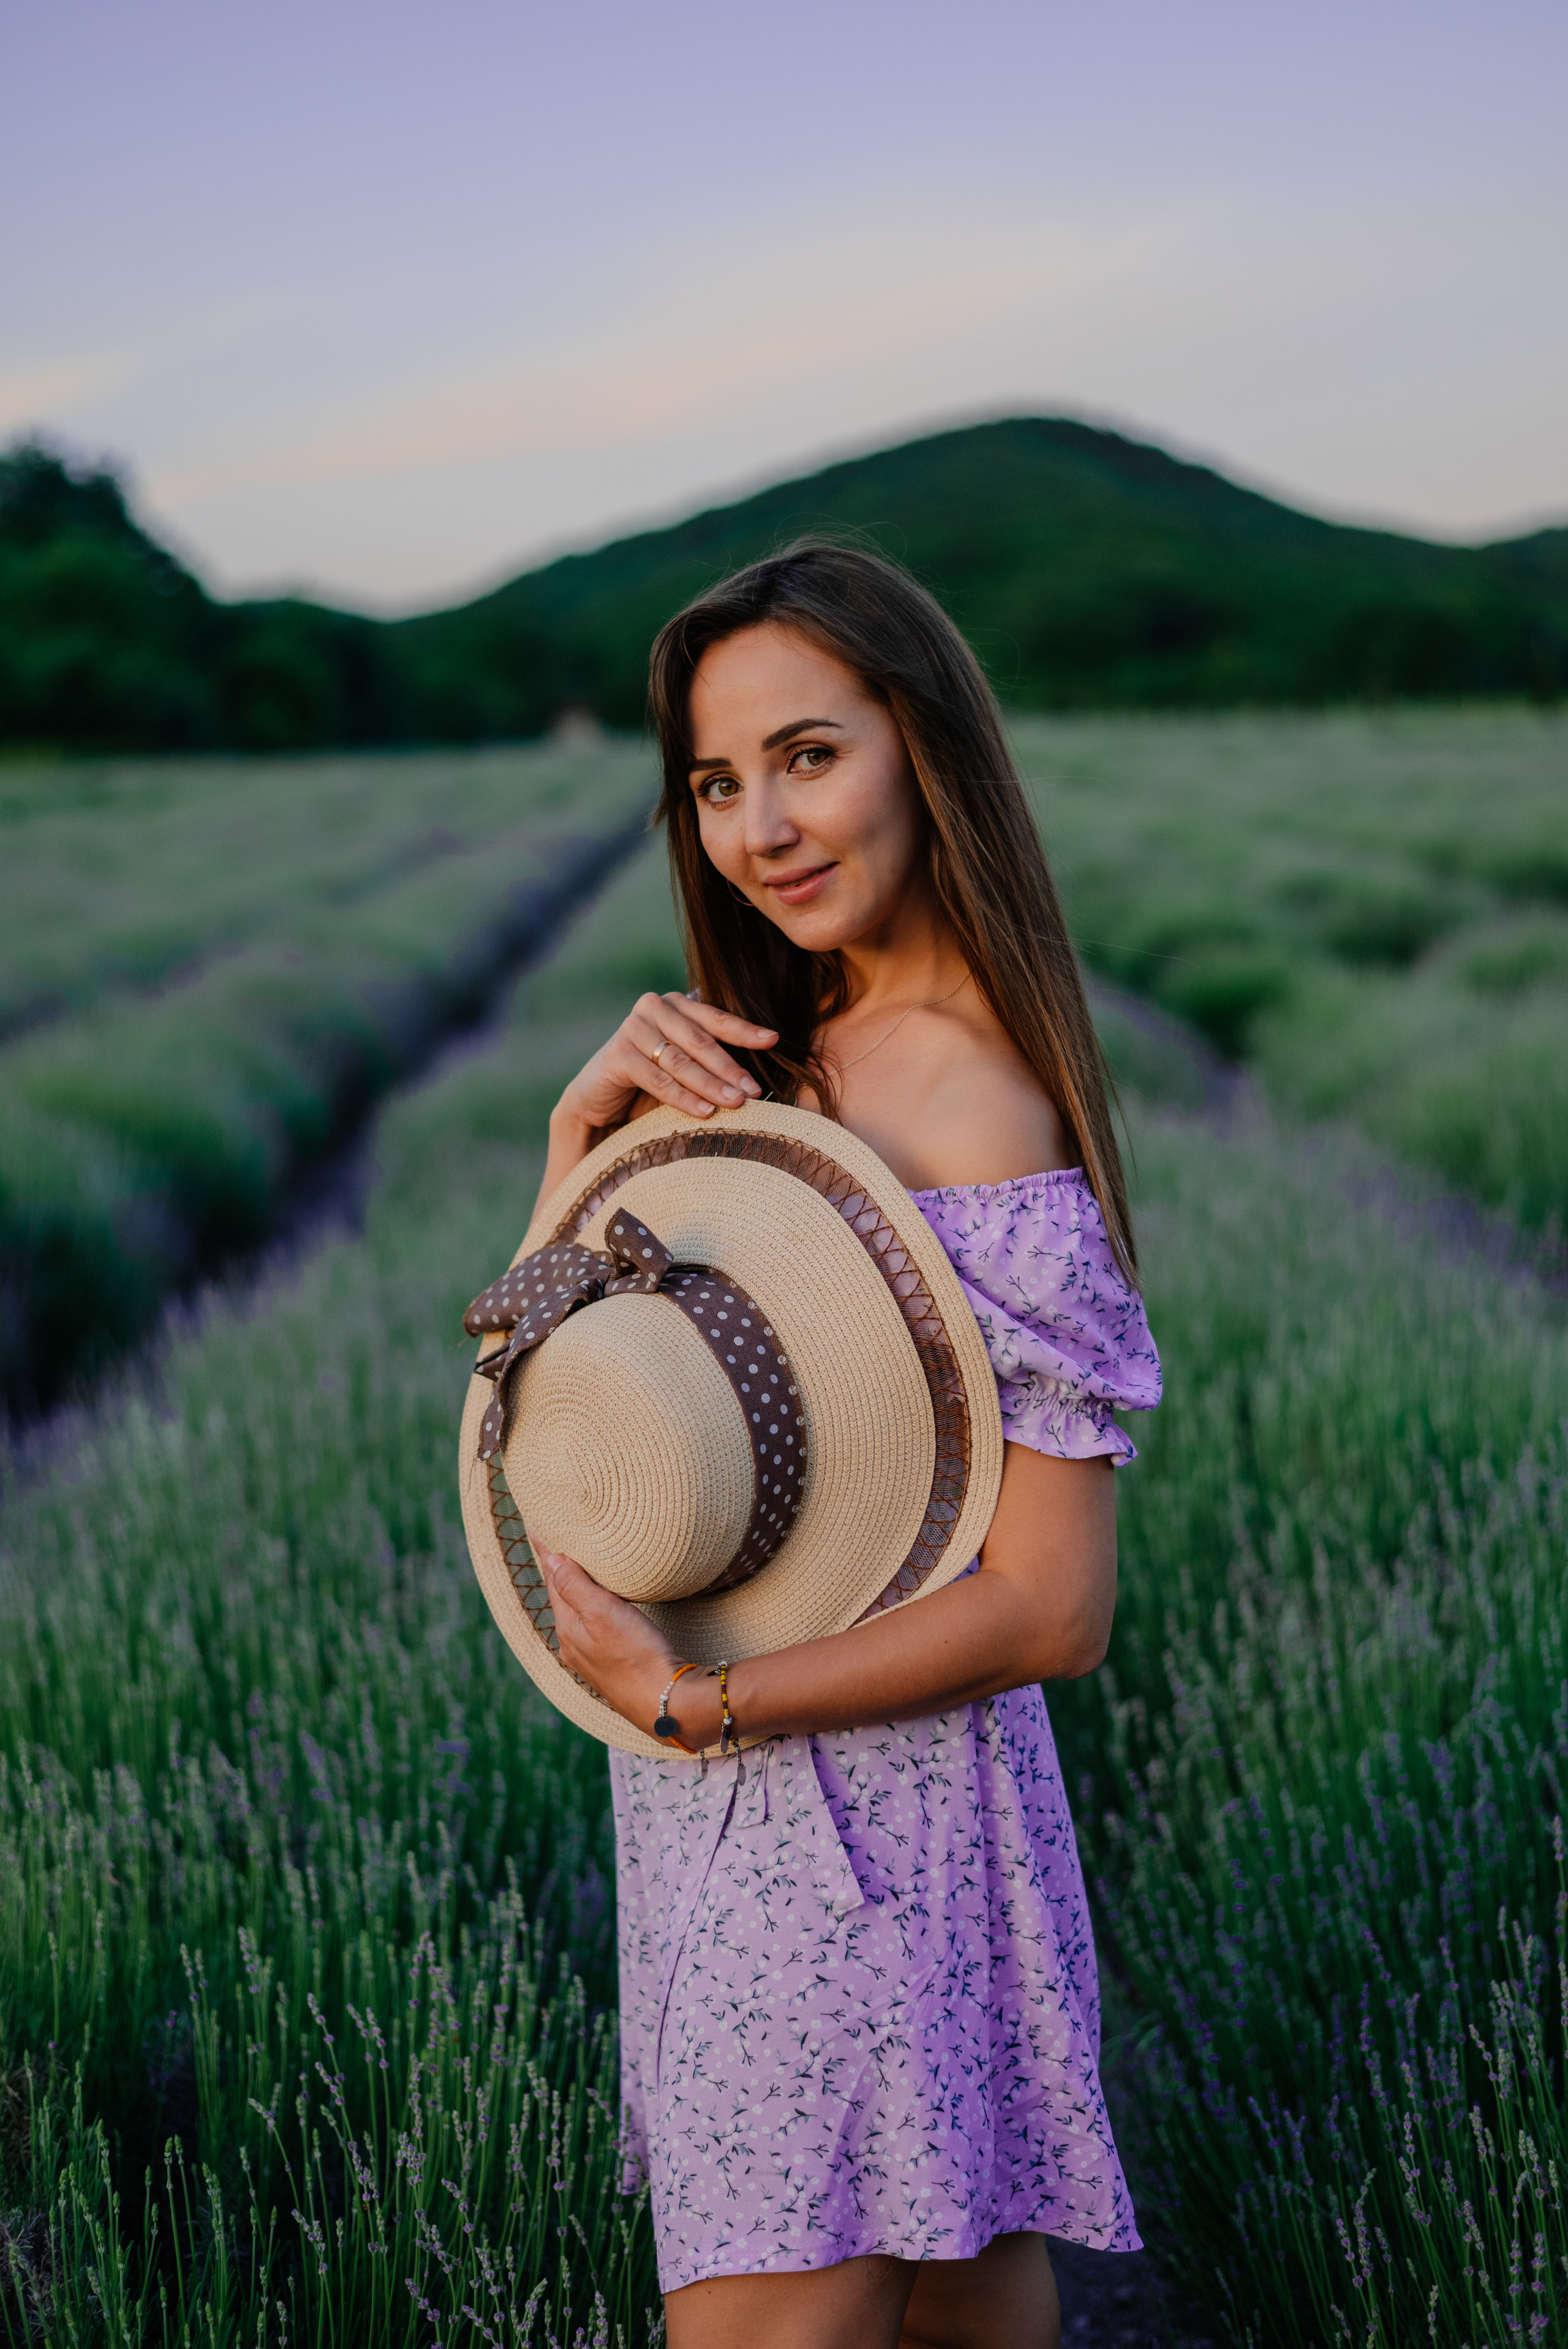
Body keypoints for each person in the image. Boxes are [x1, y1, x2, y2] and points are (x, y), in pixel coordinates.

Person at [529, 544, 1161, 2349]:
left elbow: (1054, 1606)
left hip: (853, 1826)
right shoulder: (782, 1053)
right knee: (968, 2306)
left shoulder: (973, 1097)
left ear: (923, 741)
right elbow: (565, 1436)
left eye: (809, 754)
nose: (758, 826)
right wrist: (577, 1144)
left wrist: (694, 1706)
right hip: (754, 1799)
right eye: (719, 782)